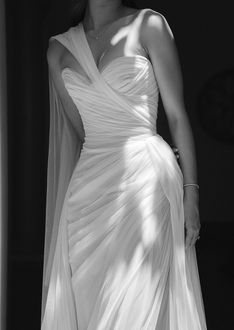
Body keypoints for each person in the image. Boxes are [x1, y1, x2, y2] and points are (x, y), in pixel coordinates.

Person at [41, 0, 208, 329]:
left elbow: (176, 115)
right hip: (88, 196)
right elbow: (79, 130)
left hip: (147, 182)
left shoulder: (149, 24)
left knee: (136, 304)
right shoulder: (58, 50)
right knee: (93, 308)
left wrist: (191, 192)